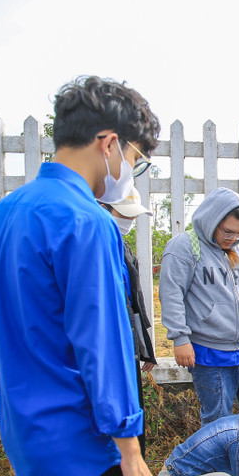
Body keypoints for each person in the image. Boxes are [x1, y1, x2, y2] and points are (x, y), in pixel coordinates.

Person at [0, 76, 160, 476]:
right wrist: (129, 448)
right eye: (135, 158)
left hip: (30, 436)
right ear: (108, 144)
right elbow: (101, 346)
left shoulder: (2, 216)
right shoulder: (87, 223)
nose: (130, 173)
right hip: (86, 447)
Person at [159, 187, 239, 424]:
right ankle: (216, 462)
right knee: (217, 421)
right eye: (228, 232)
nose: (233, 239)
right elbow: (171, 295)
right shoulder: (184, 247)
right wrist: (180, 339)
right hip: (210, 352)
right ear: (212, 221)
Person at [100, 186, 158, 456]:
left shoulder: (121, 246)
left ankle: (134, 463)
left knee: (132, 404)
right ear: (103, 209)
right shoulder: (96, 246)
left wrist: (143, 346)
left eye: (134, 217)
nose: (130, 221)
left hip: (126, 343)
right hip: (105, 345)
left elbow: (133, 300)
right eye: (124, 214)